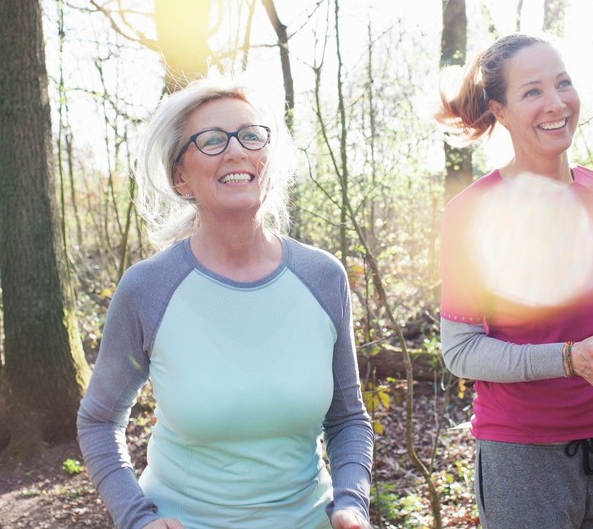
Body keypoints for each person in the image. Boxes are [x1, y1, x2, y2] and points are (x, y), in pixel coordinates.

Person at [77, 78, 374, 529]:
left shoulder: (322, 277)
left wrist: (351, 504)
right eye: (212, 140)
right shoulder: (148, 287)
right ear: (181, 176)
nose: (236, 151)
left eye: (251, 135)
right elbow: (98, 420)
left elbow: (348, 419)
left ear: (268, 161)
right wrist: (136, 518)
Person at [435, 33, 593, 528]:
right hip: (521, 456)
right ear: (499, 111)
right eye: (532, 92)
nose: (556, 103)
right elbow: (460, 351)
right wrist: (569, 359)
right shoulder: (470, 214)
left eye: (563, 83)